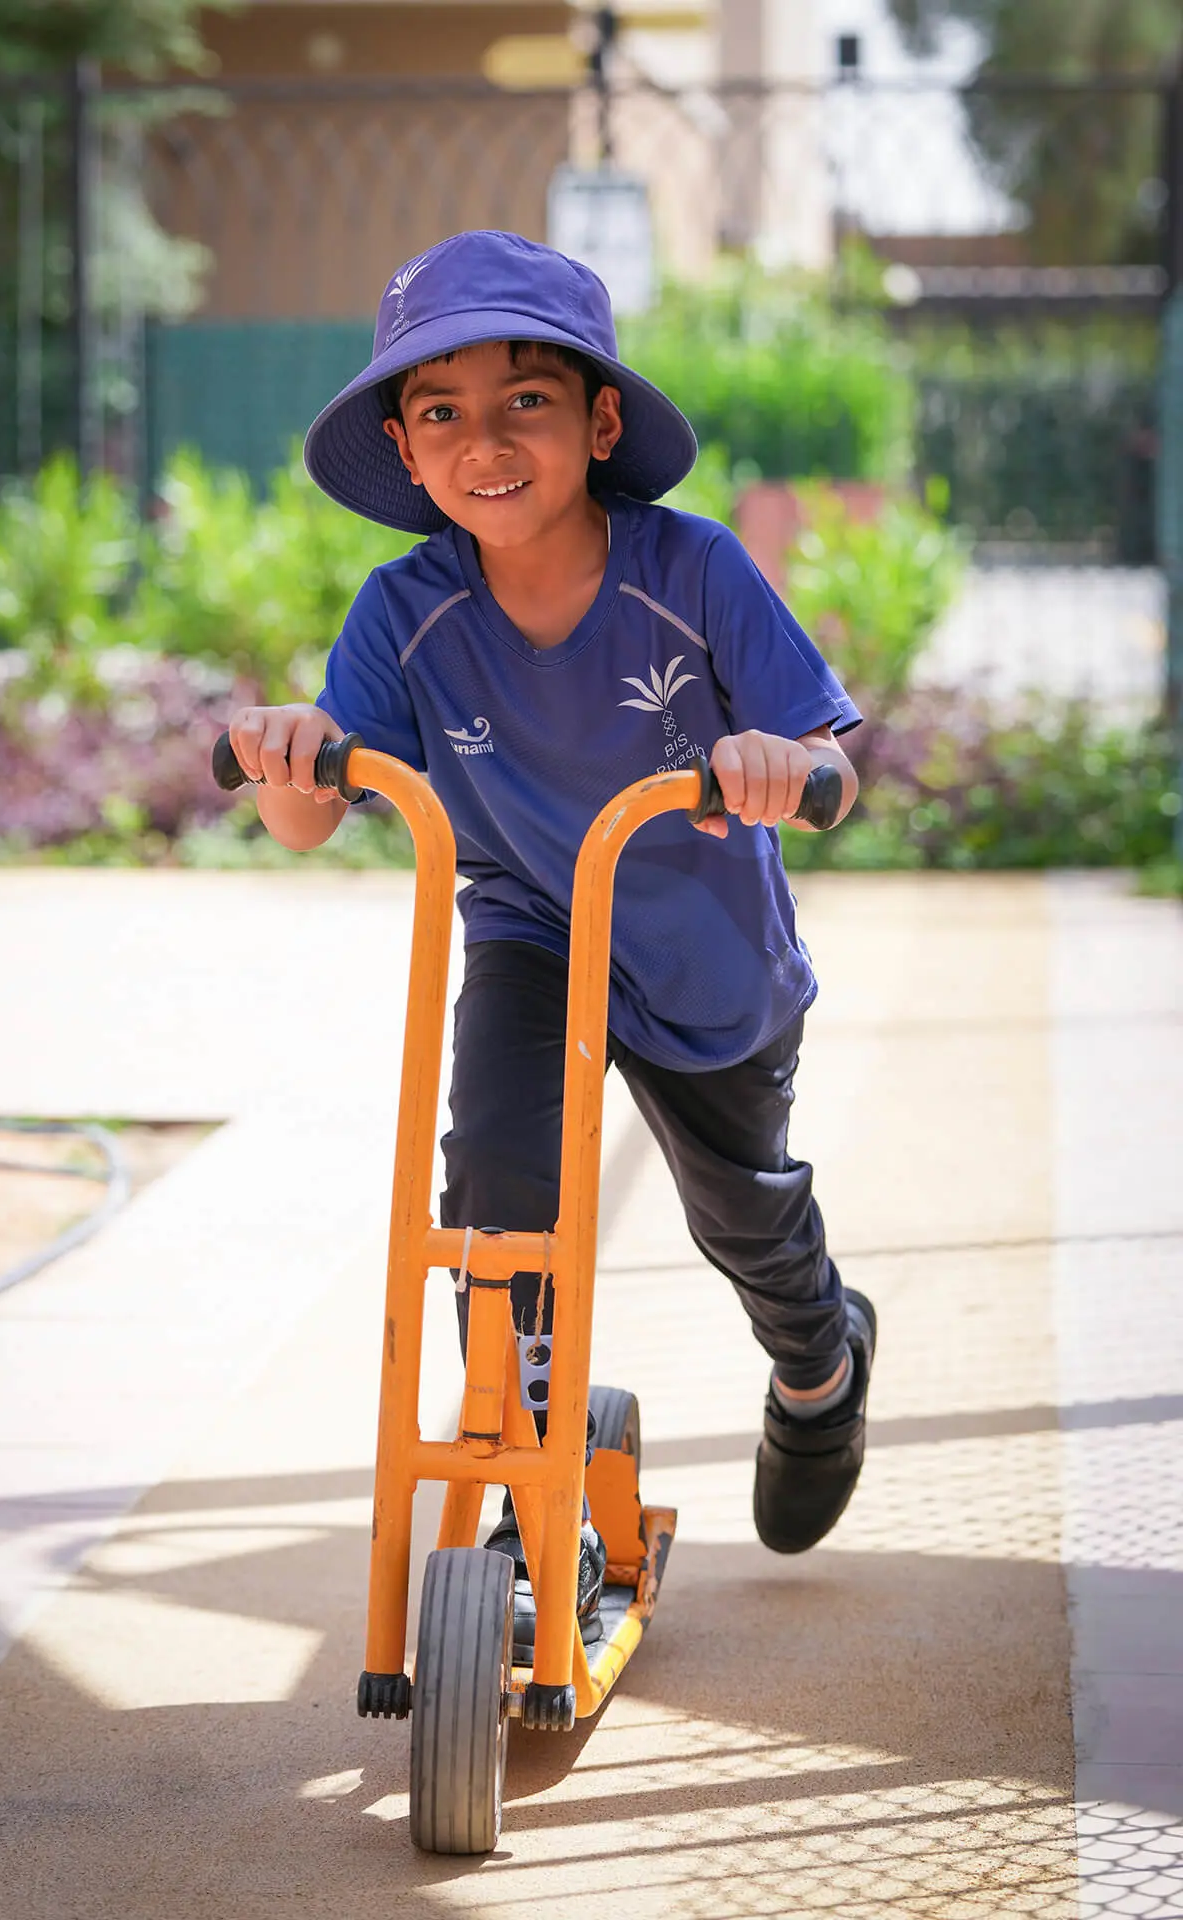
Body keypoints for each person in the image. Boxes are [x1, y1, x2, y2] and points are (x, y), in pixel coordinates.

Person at [227, 228, 876, 1652]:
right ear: (405, 449)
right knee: (495, 1189)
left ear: (599, 424)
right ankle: (533, 1482)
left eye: (526, 400)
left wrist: (786, 765)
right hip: (531, 923)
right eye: (442, 411)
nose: (487, 441)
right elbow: (311, 811)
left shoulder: (691, 570)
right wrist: (291, 755)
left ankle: (821, 1363)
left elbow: (831, 756)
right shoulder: (406, 610)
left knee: (741, 1212)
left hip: (702, 942)